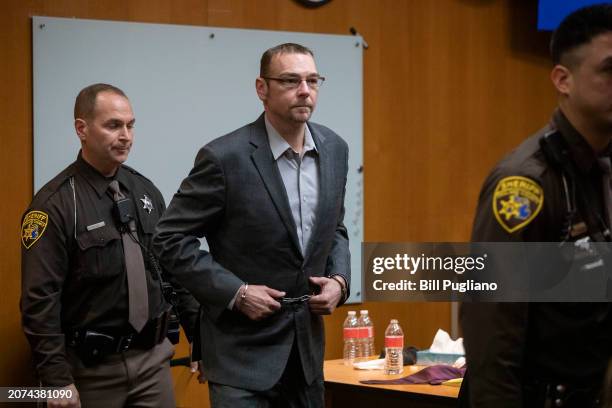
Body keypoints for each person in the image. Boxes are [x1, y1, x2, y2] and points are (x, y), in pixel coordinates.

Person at [153, 42, 351, 407]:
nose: (304, 90)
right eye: (291, 80)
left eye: (312, 80)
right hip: (240, 359)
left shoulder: (334, 149)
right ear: (262, 89)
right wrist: (236, 292)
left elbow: (335, 228)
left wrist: (340, 281)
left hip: (306, 356)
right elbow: (169, 238)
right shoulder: (224, 158)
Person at [460, 4, 612, 407]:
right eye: (609, 70)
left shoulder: (601, 168)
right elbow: (491, 333)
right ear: (564, 80)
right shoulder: (527, 183)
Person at [20, 83, 199, 407]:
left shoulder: (145, 191)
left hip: (153, 362)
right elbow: (39, 302)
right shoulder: (54, 205)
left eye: (130, 125)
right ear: (82, 129)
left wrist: (199, 339)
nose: (126, 135)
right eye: (113, 125)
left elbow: (173, 271)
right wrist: (57, 379)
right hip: (90, 370)